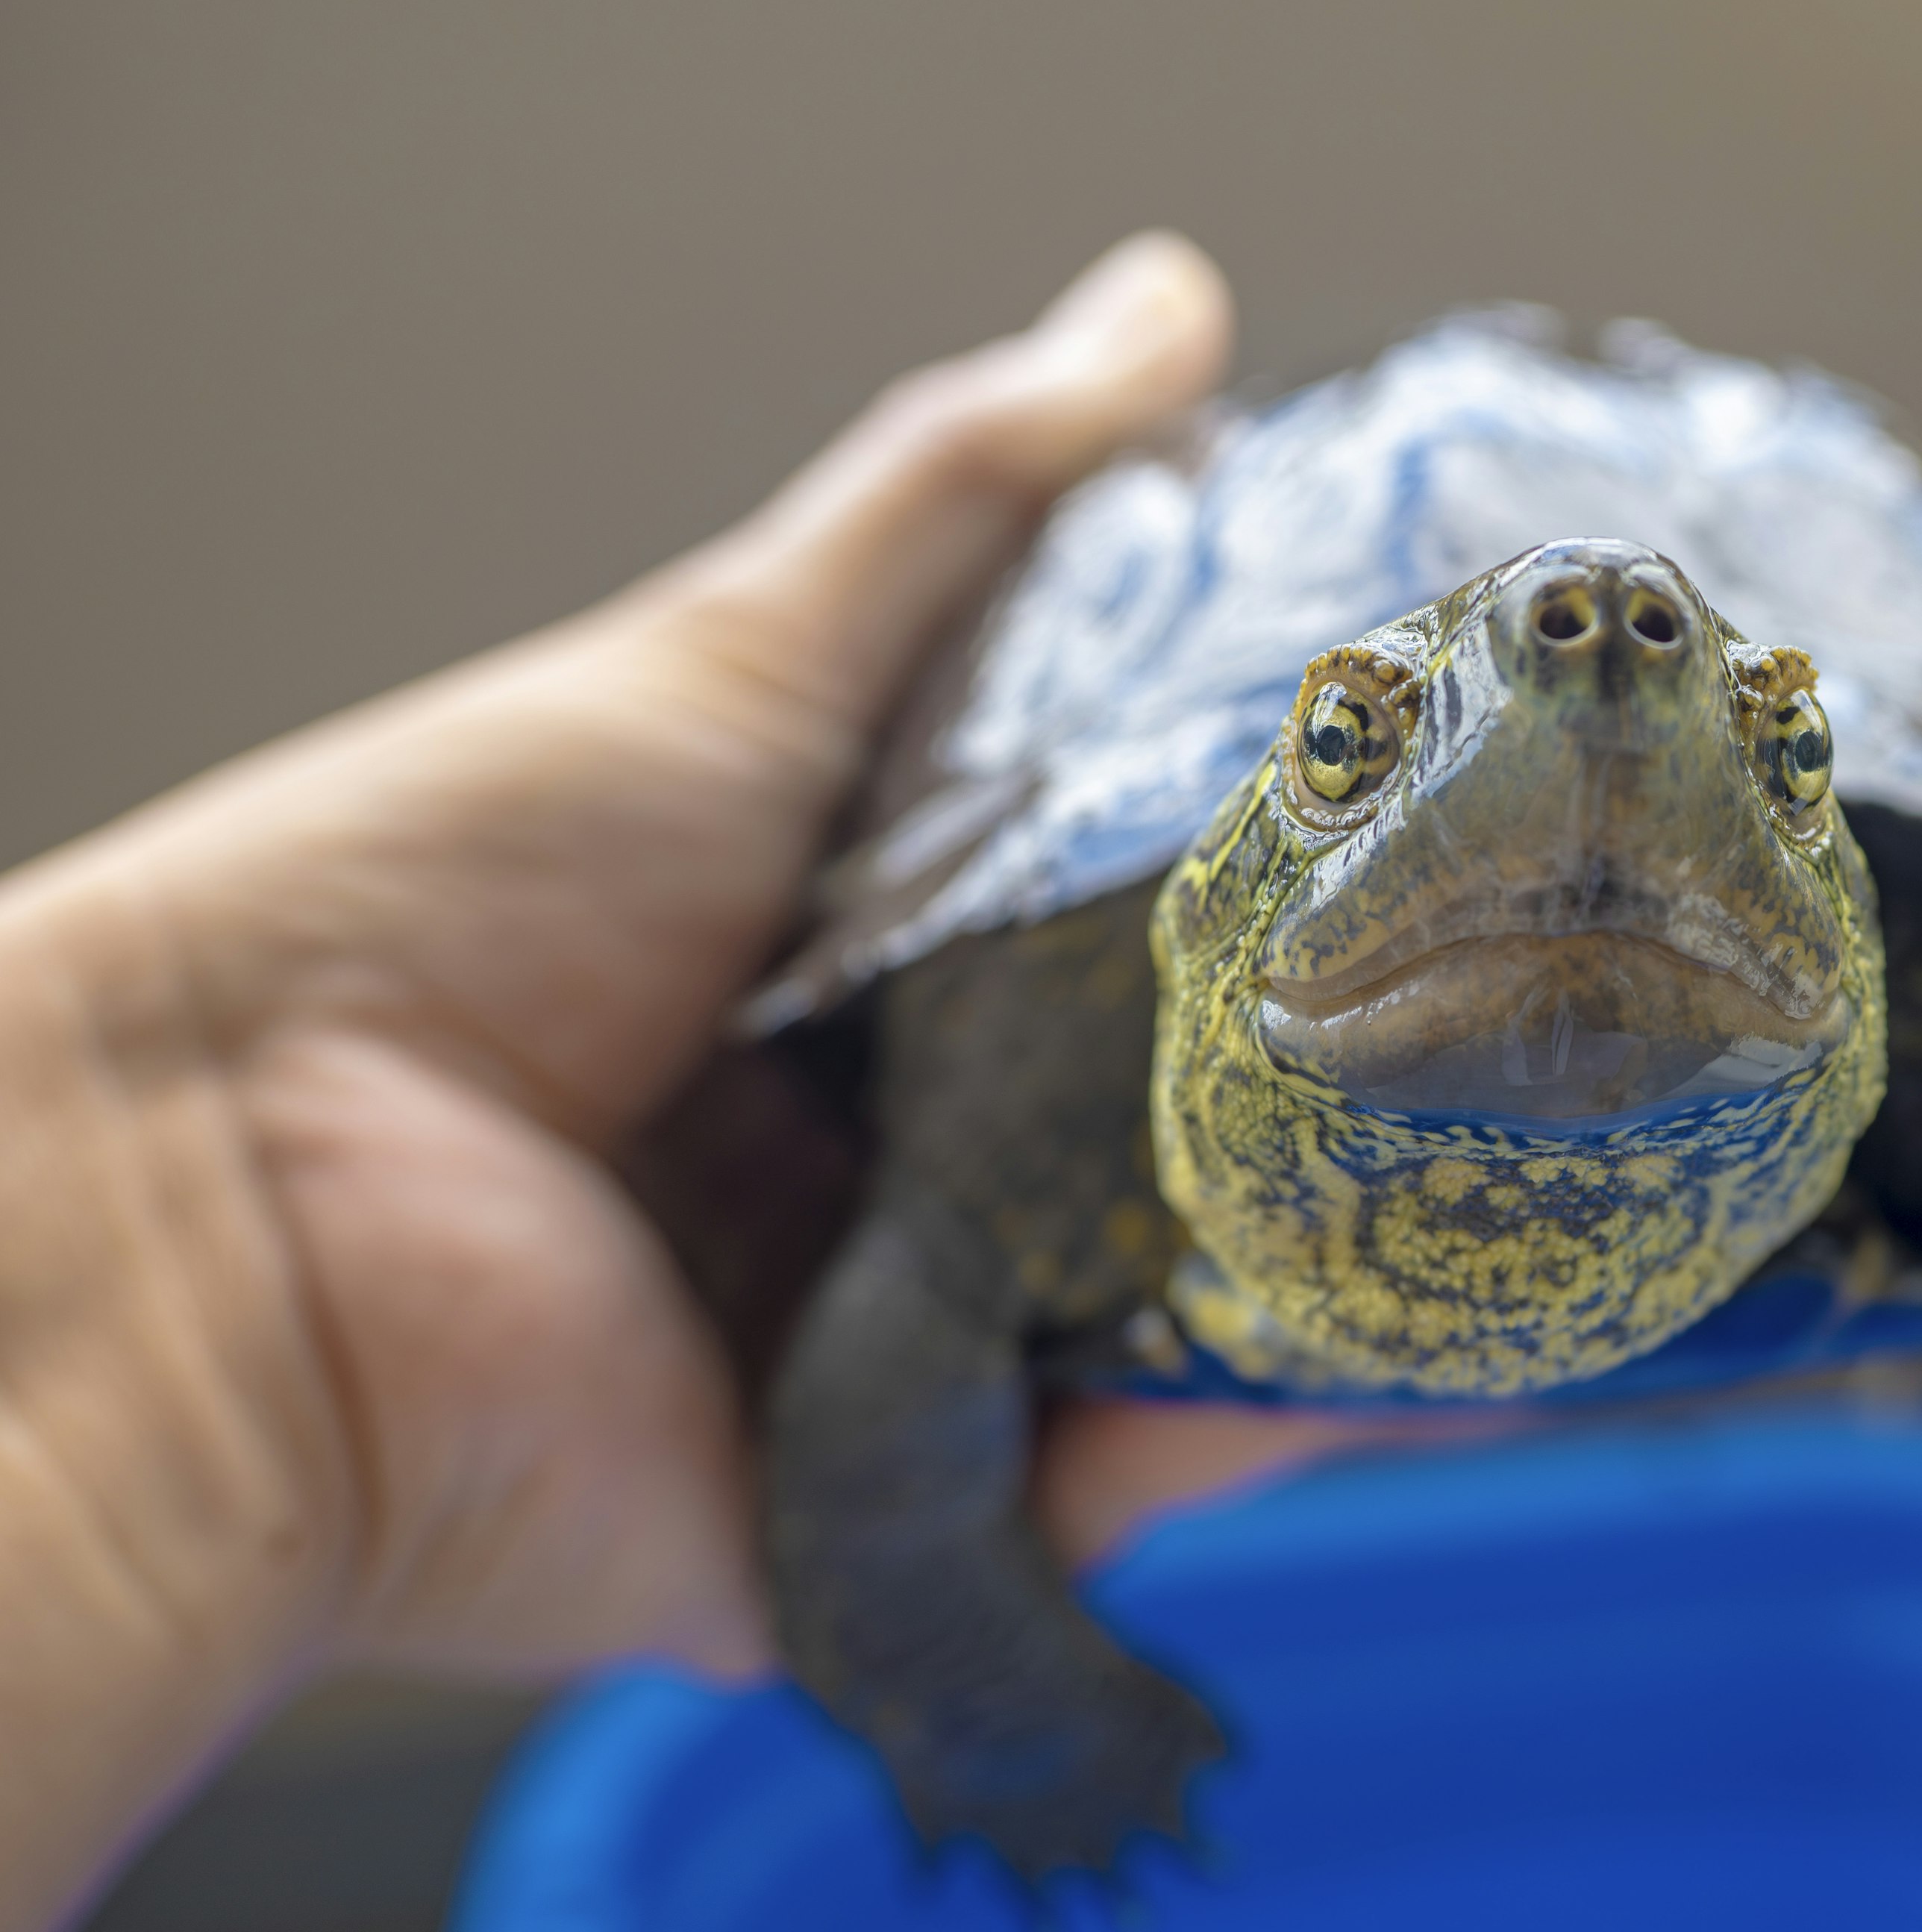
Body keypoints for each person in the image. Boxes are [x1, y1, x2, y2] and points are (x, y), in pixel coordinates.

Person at [0, 234, 1376, 1931]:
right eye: (1364, 756)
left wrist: (199, 1284)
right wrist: (970, 1669)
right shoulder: (1085, 1016)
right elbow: (911, 1319)